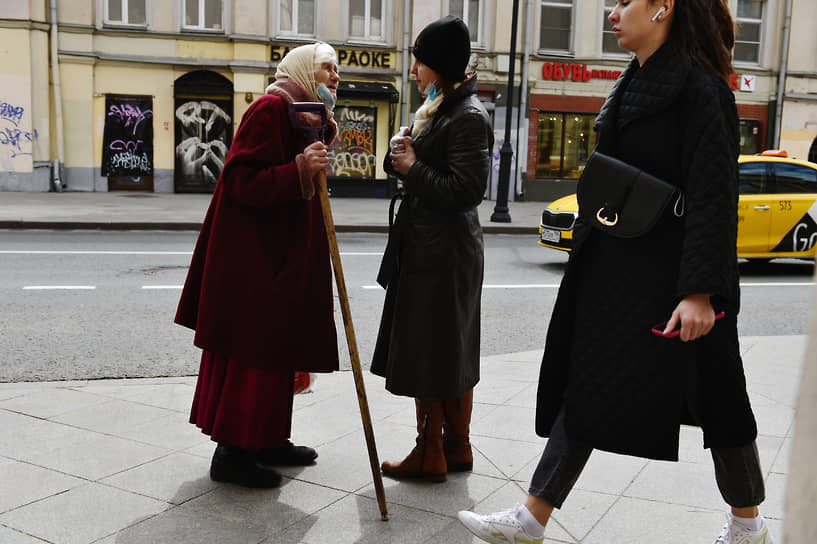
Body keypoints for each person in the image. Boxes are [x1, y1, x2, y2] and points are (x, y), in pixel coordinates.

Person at [458, 1, 774, 543]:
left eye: (625, 1)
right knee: (589, 383)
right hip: (620, 272)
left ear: (663, 9)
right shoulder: (634, 81)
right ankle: (533, 517)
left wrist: (700, 292)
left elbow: (715, 197)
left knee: (718, 398)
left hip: (677, 282)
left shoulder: (703, 90)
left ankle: (748, 525)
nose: (612, 12)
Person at [175, 42, 341, 488]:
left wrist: (311, 158)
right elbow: (241, 179)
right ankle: (232, 452)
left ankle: (267, 438)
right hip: (255, 260)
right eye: (329, 69)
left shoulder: (305, 116)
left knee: (277, 351)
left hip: (281, 253)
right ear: (306, 70)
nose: (336, 78)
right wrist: (299, 169)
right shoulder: (270, 107)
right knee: (254, 351)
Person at [371, 15, 493, 483]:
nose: (414, 68)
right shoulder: (441, 108)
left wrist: (413, 166)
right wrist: (401, 156)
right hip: (436, 249)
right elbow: (405, 164)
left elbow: (467, 188)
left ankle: (430, 453)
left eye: (419, 60)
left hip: (442, 255)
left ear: (437, 64)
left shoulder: (466, 116)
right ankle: (456, 446)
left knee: (433, 352)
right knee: (449, 350)